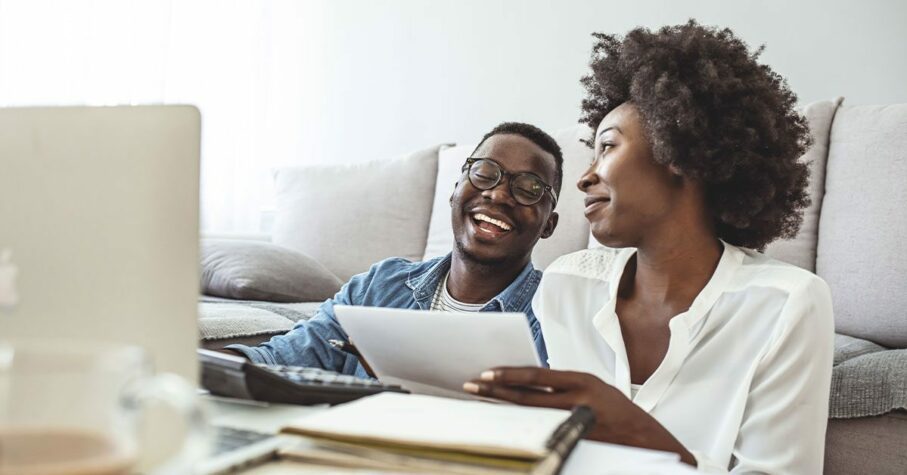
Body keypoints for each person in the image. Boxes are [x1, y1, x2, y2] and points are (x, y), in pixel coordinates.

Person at [464, 21, 834, 473]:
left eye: (607, 148)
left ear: (678, 152)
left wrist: (638, 433)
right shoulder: (567, 285)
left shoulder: (786, 304)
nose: (584, 178)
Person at [224, 122, 562, 378]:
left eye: (529, 188)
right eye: (486, 173)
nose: (499, 195)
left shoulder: (557, 313)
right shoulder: (378, 286)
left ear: (548, 224)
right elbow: (278, 360)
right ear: (456, 189)